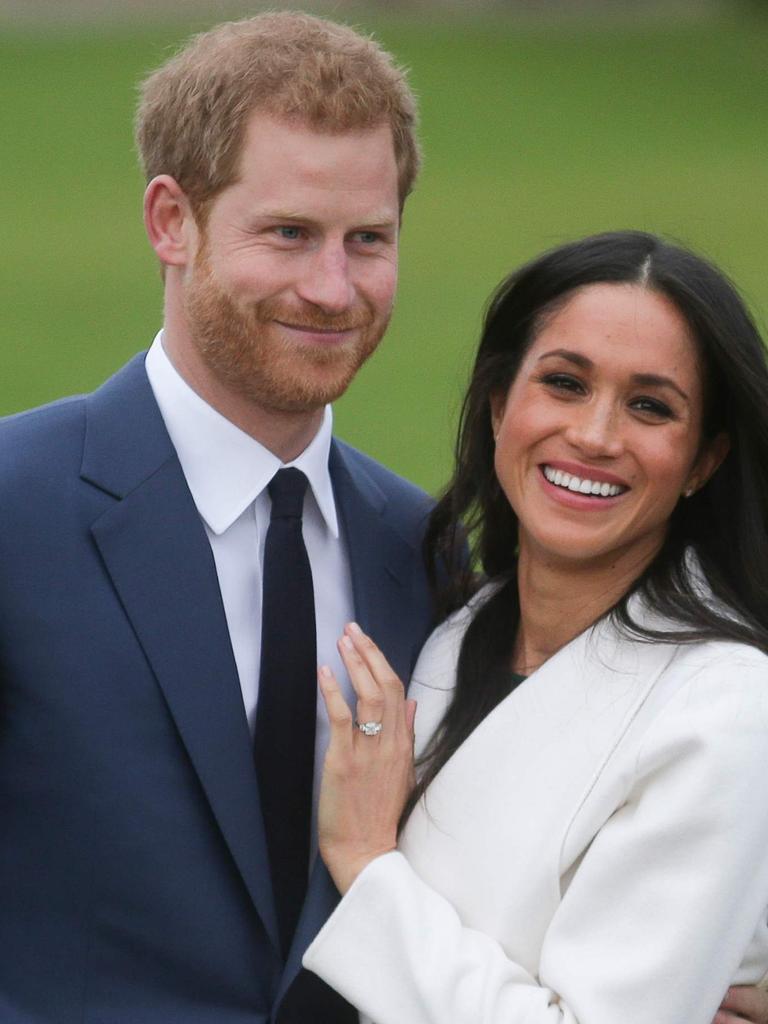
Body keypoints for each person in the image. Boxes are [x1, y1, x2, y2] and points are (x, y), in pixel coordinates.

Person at [0, 12, 436, 1023]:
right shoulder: (14, 507)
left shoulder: (427, 552)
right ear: (171, 221)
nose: (333, 289)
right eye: (288, 233)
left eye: (367, 239)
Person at [304, 230, 768, 1024]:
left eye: (650, 407)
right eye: (563, 383)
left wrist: (367, 863)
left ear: (704, 461)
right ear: (498, 405)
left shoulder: (725, 709)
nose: (594, 436)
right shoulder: (452, 629)